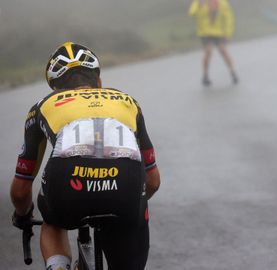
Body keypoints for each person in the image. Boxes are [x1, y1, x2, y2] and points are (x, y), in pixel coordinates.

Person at [10, 42, 161, 269]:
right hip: (125, 186)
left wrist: (22, 215)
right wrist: (123, 203)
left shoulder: (42, 106)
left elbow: (21, 191)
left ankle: (58, 265)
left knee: (52, 221)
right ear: (99, 82)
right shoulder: (129, 103)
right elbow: (153, 181)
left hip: (68, 184)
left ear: (55, 89)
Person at [189, 0, 239, 86]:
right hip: (205, 32)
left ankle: (233, 72)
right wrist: (199, 5)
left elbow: (228, 18)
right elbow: (191, 13)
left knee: (223, 51)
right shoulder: (198, 2)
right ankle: (205, 75)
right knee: (208, 52)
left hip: (219, 32)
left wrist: (228, 33)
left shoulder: (222, 3)